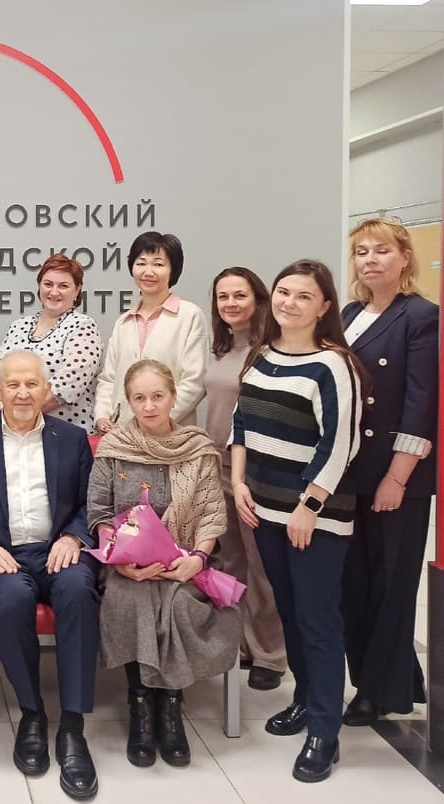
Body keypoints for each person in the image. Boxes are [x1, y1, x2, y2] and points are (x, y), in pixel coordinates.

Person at [230, 260, 364, 783]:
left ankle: (325, 732)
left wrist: (309, 507)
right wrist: (240, 481)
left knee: (317, 620)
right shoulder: (262, 355)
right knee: (289, 611)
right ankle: (306, 700)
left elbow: (340, 443)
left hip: (313, 519)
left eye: (303, 296)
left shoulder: (334, 365)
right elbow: (242, 421)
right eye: (283, 292)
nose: (289, 302)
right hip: (263, 509)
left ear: (324, 306)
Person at [0, 351, 99, 801]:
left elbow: (90, 503)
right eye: (12, 384)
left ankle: (72, 725)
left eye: (31, 384)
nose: (21, 393)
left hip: (58, 548)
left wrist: (73, 537)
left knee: (78, 590)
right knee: (13, 599)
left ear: (46, 389)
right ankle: (32, 713)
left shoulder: (72, 438)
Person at [89, 359, 240, 769]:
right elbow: (99, 514)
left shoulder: (197, 449)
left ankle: (170, 706)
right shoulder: (113, 449)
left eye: (158, 396)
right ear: (129, 402)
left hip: (187, 560)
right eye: (139, 398)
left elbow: (211, 514)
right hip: (126, 565)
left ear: (174, 398)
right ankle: (141, 705)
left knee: (177, 603)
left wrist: (197, 559)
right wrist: (120, 560)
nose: (149, 406)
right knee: (132, 600)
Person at [339, 219, 438, 726]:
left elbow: (423, 402)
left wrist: (397, 477)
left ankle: (377, 692)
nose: (370, 260)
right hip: (351, 468)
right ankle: (396, 677)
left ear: (404, 257)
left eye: (381, 250)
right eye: (361, 251)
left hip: (395, 473)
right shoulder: (350, 313)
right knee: (356, 582)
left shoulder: (421, 315)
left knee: (390, 584)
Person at [204, 267, 287, 691]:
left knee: (261, 564)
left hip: (254, 470)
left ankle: (270, 653)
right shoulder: (220, 348)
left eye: (239, 295)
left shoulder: (270, 350)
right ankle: (239, 642)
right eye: (223, 297)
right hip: (216, 465)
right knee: (230, 559)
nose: (231, 303)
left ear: (258, 299)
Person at [95, 231, 208, 433]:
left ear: (173, 270)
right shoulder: (123, 322)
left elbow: (195, 381)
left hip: (172, 434)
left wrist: (153, 421)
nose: (148, 271)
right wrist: (102, 415)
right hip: (122, 434)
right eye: (141, 263)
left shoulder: (190, 315)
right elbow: (109, 378)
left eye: (158, 264)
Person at [0, 253, 103, 432]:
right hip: (11, 433)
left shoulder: (83, 326)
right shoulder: (19, 325)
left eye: (63, 286)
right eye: (48, 284)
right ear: (39, 286)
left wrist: (20, 416)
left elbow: (69, 384)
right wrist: (5, 417)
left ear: (77, 290)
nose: (54, 292)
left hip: (63, 434)